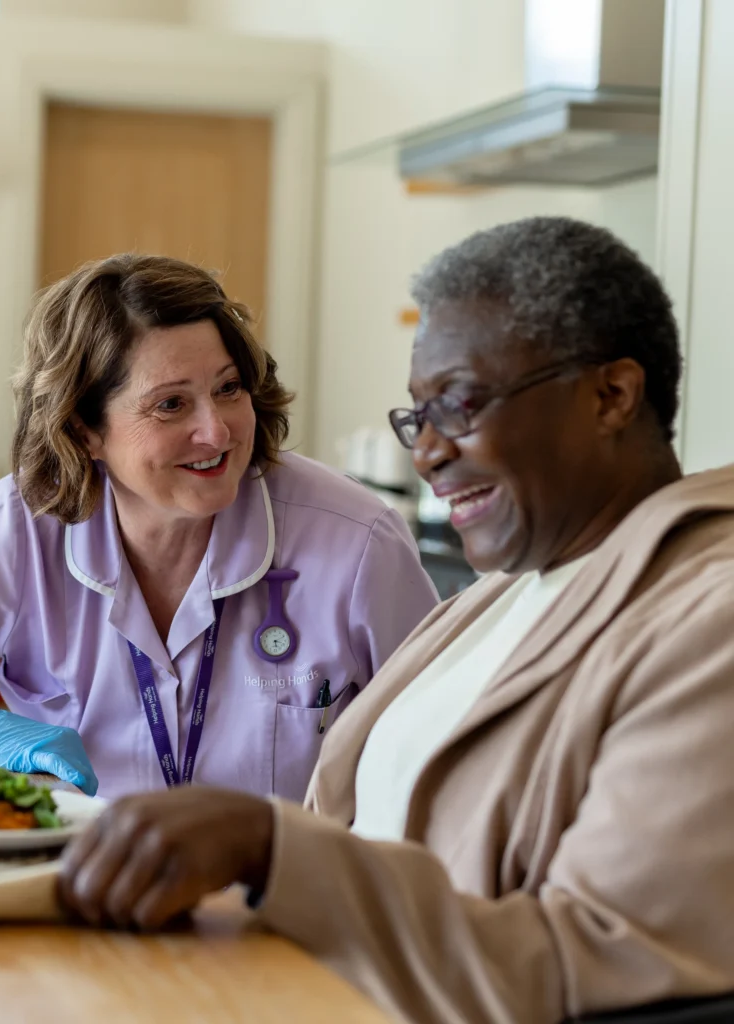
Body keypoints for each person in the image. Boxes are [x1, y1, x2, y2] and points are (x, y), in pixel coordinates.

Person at [55, 218, 734, 1023]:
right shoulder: (505, 594)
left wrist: (272, 851)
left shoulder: (708, 620)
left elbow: (600, 964)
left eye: (461, 402)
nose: (429, 451)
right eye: (419, 417)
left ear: (611, 396)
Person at [0, 254, 437, 801]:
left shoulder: (357, 542)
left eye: (230, 388)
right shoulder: (21, 530)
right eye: (171, 404)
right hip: (68, 896)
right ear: (83, 429)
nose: (217, 431)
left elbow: (447, 749)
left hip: (286, 915)